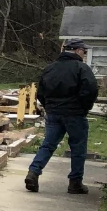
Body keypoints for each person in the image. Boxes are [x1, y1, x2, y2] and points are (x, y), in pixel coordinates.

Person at [26, 40, 99, 194]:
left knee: (48, 144)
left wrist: (49, 106)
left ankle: (33, 172)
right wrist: (84, 107)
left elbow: (41, 92)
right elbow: (90, 90)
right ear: (78, 51)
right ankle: (75, 183)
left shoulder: (50, 68)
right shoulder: (82, 68)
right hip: (75, 114)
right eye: (84, 52)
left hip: (54, 113)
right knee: (78, 148)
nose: (84, 55)